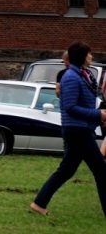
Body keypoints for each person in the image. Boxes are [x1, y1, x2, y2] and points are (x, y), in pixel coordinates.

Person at [31, 42, 106, 218]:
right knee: (101, 170)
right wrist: (98, 114)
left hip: (81, 128)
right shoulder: (71, 77)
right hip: (77, 130)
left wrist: (99, 115)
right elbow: (70, 107)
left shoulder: (84, 74)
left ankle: (39, 203)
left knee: (67, 170)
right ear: (82, 56)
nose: (92, 56)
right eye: (89, 53)